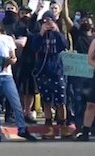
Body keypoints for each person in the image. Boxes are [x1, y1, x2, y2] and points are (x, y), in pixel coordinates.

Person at [0, 19, 38, 143]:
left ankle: (22, 128)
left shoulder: (7, 39)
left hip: (6, 75)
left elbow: (13, 56)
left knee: (15, 102)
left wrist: (11, 61)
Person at [32, 11, 74, 140]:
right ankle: (48, 125)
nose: (48, 24)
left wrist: (56, 31)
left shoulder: (58, 35)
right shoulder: (38, 35)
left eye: (50, 21)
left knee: (61, 100)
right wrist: (41, 33)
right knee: (47, 101)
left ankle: (63, 125)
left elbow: (64, 45)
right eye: (45, 21)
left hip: (57, 71)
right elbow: (34, 47)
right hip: (43, 70)